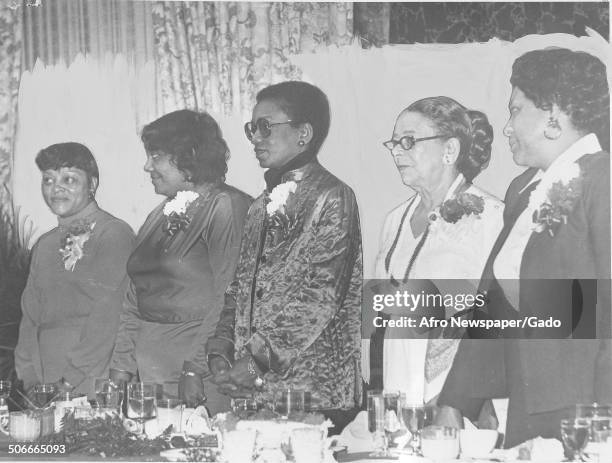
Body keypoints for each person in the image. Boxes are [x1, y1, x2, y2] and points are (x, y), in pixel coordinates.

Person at [438, 48, 611, 447]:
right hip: (529, 408)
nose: (507, 127)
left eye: (516, 110)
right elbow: (495, 303)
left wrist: (604, 421)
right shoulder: (525, 189)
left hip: (587, 414)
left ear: (554, 116)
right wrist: (456, 401)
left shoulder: (605, 180)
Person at [205, 81, 363, 433]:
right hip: (257, 390)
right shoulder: (261, 205)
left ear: (304, 133)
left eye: (266, 127)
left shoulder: (333, 196)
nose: (255, 138)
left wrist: (256, 359)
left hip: (313, 390)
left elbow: (321, 295)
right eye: (252, 128)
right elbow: (240, 285)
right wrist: (221, 348)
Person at [109, 110, 251, 413]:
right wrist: (121, 367)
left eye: (156, 156)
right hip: (150, 375)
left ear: (188, 157)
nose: (147, 166)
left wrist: (194, 368)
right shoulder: (158, 214)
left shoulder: (226, 207)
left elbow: (231, 295)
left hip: (201, 375)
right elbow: (134, 297)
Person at [368, 96, 502, 407]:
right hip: (396, 384)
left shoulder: (492, 217)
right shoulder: (394, 220)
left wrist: (459, 399)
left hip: (457, 391)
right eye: (394, 143)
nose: (397, 151)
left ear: (450, 150)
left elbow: (498, 322)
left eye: (409, 141)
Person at [14, 143, 135, 397]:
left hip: (91, 380)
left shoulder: (113, 233)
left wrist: (67, 382)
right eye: (48, 180)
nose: (56, 188)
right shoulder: (44, 244)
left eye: (69, 179)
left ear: (92, 184)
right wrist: (29, 379)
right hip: (43, 384)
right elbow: (30, 319)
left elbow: (108, 318)